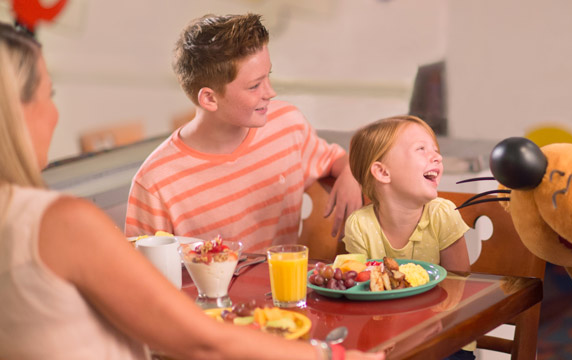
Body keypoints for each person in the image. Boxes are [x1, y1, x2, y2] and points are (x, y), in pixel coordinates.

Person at [0, 22, 380, 360]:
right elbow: (191, 335)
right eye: (50, 95)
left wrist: (349, 170)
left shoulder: (286, 126)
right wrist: (330, 354)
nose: (56, 114)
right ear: (16, 113)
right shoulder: (67, 220)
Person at [125, 14, 361, 253]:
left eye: (267, 76)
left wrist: (351, 173)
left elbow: (336, 160)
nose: (270, 92)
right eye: (254, 86)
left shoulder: (287, 125)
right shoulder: (155, 183)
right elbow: (139, 275)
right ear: (209, 98)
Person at [343, 115, 471, 273]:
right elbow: (360, 285)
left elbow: (458, 285)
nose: (438, 157)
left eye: (435, 150)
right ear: (383, 172)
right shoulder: (359, 226)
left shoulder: (443, 215)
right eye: (421, 149)